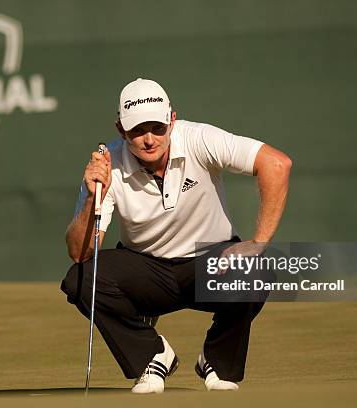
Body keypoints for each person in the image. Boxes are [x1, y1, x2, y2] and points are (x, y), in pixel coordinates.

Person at [61, 78, 291, 393]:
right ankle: (152, 357)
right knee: (81, 278)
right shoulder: (107, 167)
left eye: (157, 127)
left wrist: (258, 242)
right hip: (146, 271)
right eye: (138, 131)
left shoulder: (199, 139)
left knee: (258, 267)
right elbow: (80, 252)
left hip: (210, 263)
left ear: (172, 120)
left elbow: (276, 164)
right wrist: (92, 199)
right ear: (120, 130)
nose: (149, 139)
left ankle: (217, 363)